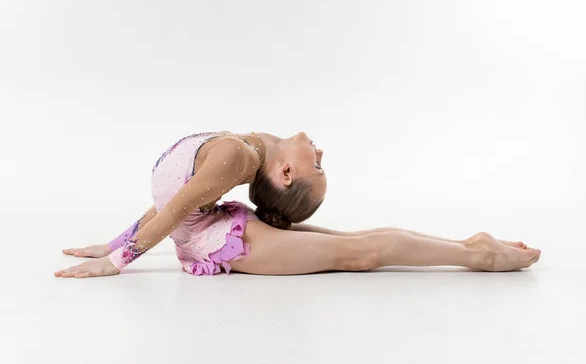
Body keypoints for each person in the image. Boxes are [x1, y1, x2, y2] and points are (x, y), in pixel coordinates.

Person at [55, 131, 541, 278]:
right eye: (322, 166)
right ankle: (472, 248)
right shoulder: (239, 149)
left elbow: (176, 208)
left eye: (318, 167)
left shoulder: (234, 154)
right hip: (220, 234)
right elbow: (168, 201)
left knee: (359, 251)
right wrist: (114, 245)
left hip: (224, 239)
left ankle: (476, 252)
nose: (321, 153)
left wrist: (119, 259)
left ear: (286, 174)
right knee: (357, 248)